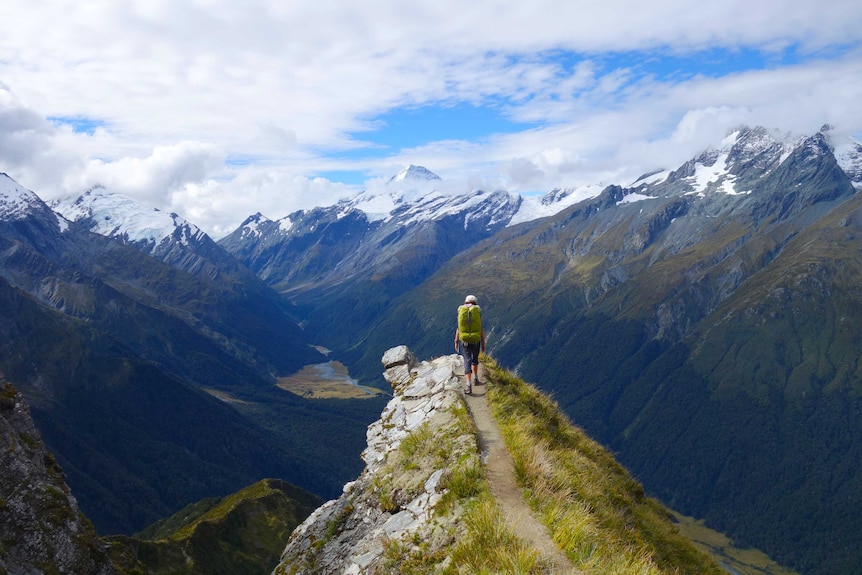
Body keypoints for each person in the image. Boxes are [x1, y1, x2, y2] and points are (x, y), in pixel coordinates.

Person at [454, 294, 485, 395]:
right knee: (474, 359)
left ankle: (468, 384)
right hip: (476, 340)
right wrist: (483, 343)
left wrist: (456, 340)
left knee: (467, 360)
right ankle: (475, 378)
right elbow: (481, 329)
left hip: (465, 341)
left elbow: (459, 328)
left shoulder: (461, 311)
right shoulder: (477, 312)